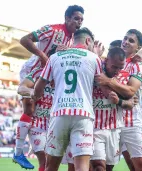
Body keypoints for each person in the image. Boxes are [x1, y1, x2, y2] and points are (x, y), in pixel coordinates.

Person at [13, 5, 85, 169]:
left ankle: (27, 149)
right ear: (67, 18)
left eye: (81, 20)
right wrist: (44, 57)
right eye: (76, 18)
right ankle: (18, 151)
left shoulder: (73, 40)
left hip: (50, 74)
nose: (79, 22)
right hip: (35, 69)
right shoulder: (52, 30)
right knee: (29, 106)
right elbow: (25, 39)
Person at [32, 27, 102, 171]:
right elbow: (102, 84)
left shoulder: (54, 57)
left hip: (59, 114)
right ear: (88, 41)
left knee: (51, 165)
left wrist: (36, 96)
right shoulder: (94, 58)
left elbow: (39, 87)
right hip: (83, 115)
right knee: (81, 166)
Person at [95, 29, 142, 171]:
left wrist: (108, 81)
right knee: (104, 166)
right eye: (125, 38)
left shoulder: (138, 65)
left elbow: (131, 91)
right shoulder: (110, 61)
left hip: (131, 122)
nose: (126, 42)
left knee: (139, 166)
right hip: (110, 122)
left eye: (131, 40)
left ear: (138, 48)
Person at [14, 67, 54, 171]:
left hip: (51, 122)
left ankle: (18, 153)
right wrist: (32, 92)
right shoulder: (38, 71)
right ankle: (18, 152)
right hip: (36, 123)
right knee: (44, 158)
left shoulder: (61, 75)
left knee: (48, 162)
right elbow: (21, 88)